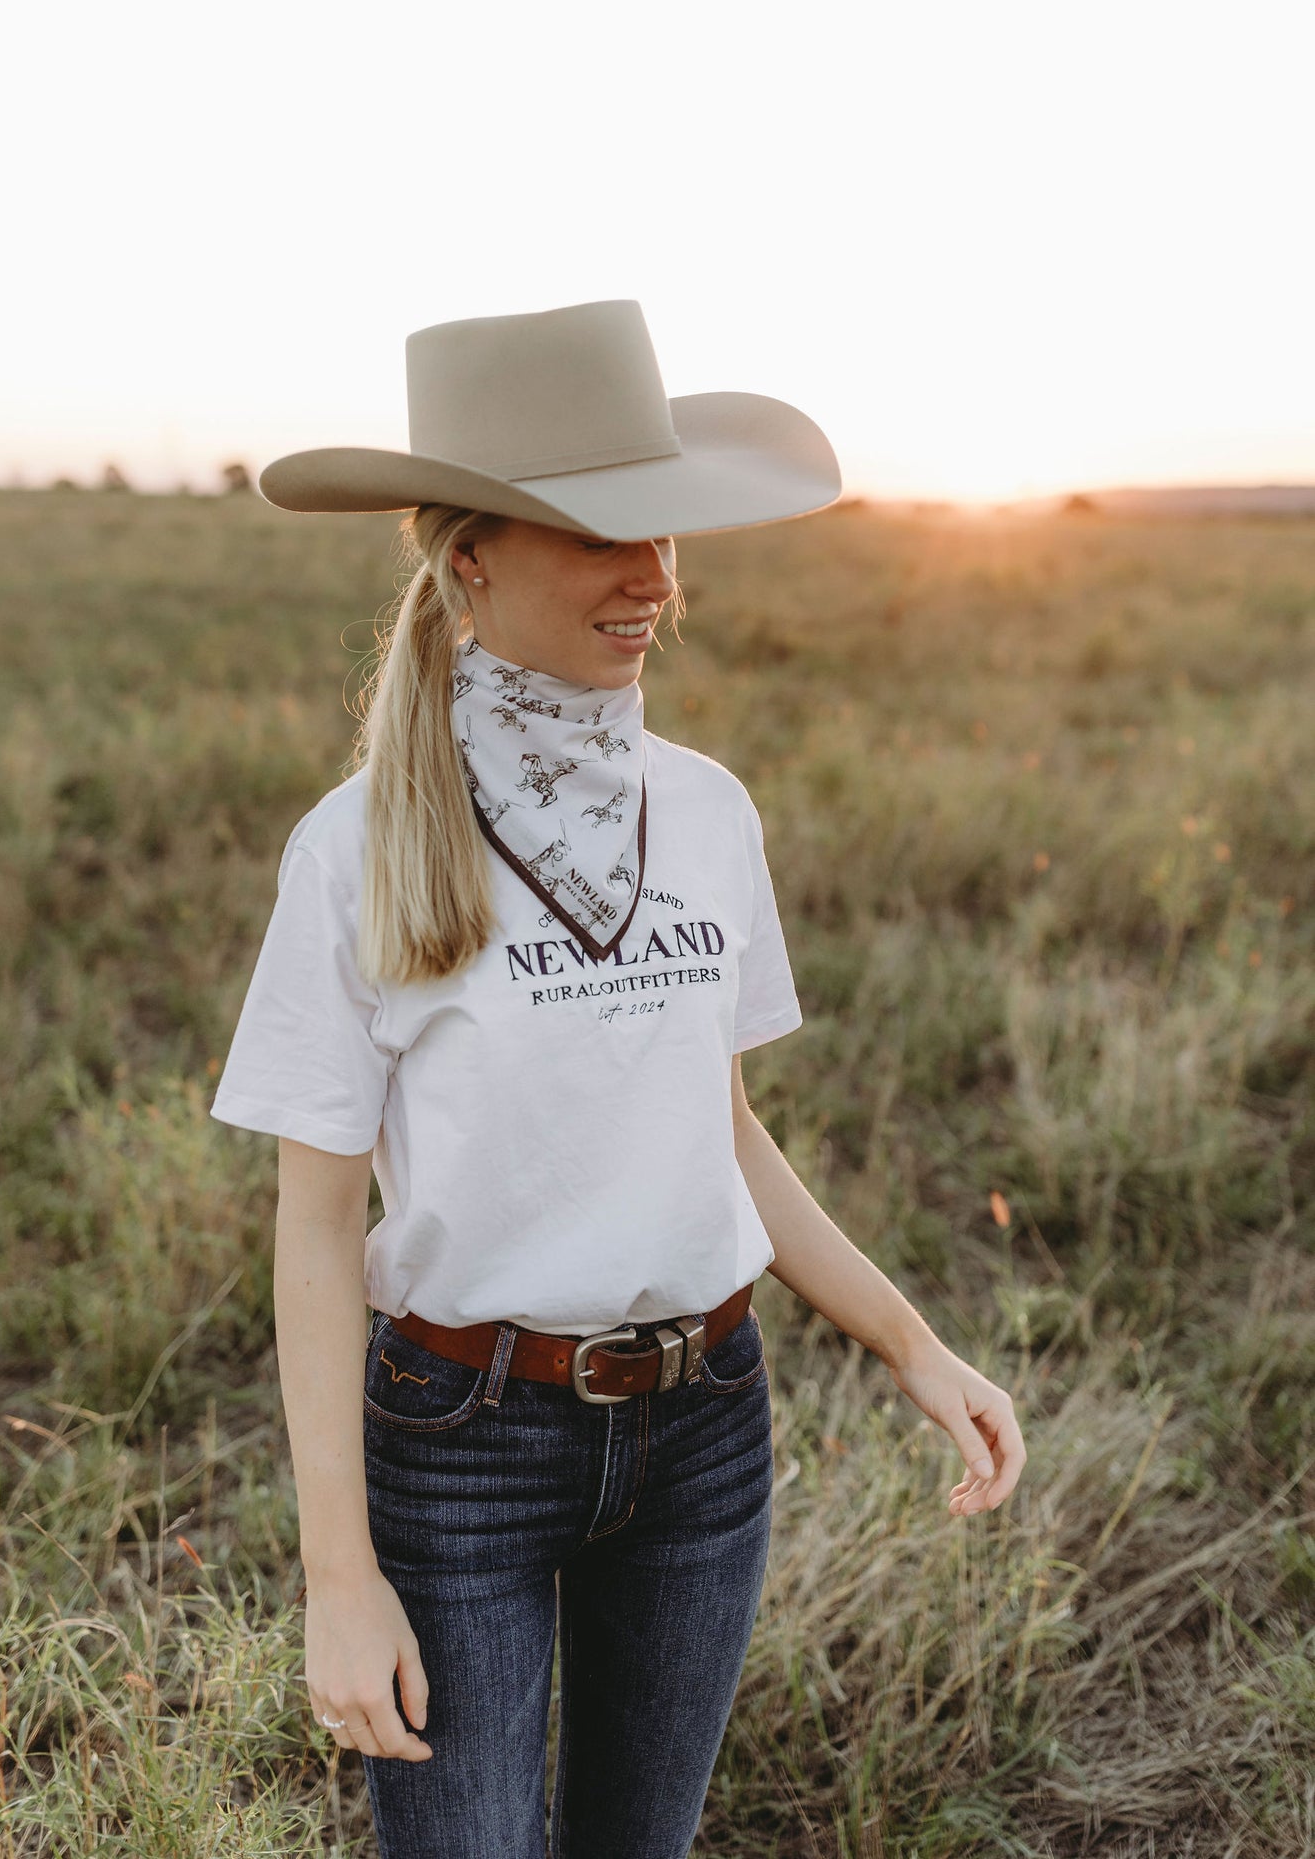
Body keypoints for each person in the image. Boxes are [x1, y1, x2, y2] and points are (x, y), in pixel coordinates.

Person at [210, 299, 1026, 1859]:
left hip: (706, 1426)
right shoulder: (354, 849)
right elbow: (313, 1230)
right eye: (594, 533)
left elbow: (722, 1135)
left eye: (659, 530)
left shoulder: (708, 810)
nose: (651, 577)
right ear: (465, 561)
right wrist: (339, 1572)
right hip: (461, 1445)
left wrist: (913, 1347)